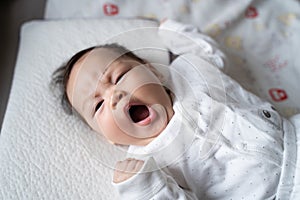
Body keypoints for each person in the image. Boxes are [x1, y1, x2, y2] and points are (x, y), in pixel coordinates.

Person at [52, 19, 300, 199]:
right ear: (108, 138)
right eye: (98, 105)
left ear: (154, 72)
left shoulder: (189, 71)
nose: (114, 96)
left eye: (118, 76)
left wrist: (172, 32)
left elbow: (208, 52)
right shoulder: (149, 166)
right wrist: (145, 190)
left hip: (294, 139)